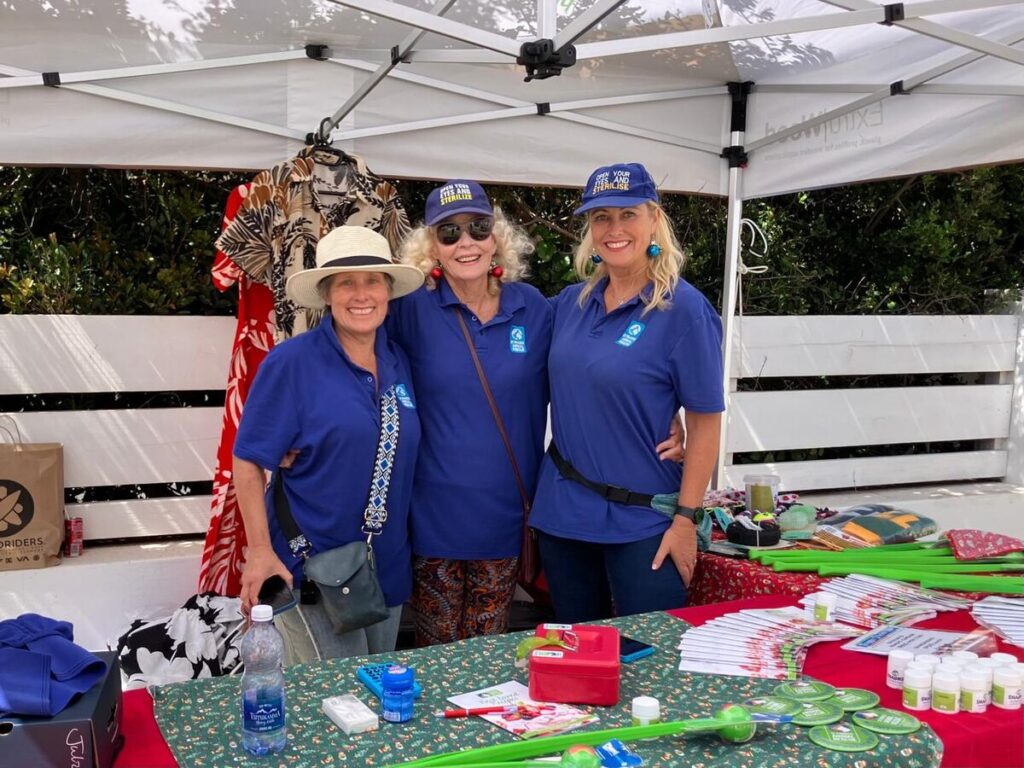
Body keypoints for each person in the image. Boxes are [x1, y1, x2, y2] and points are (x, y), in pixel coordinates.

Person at [529, 162, 725, 623]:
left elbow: (706, 424)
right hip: (565, 512)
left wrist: (685, 519)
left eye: (627, 214)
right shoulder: (570, 305)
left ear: (654, 217)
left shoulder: (684, 310)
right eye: (601, 218)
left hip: (646, 522)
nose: (614, 229)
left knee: (652, 663)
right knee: (574, 663)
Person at [232, 226, 425, 664]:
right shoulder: (292, 363)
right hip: (313, 573)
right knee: (334, 706)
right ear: (326, 294)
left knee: (377, 694)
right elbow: (247, 461)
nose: (362, 294)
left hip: (386, 570)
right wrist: (259, 552)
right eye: (346, 282)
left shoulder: (398, 361)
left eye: (373, 280)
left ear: (389, 290)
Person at [389, 180, 553, 646]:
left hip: (506, 516)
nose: (466, 242)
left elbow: (588, 375)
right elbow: (355, 364)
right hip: (432, 517)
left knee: (490, 652)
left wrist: (667, 418)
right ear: (432, 247)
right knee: (438, 655)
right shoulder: (408, 310)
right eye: (449, 232)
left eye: (478, 228)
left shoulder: (534, 309)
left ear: (496, 236)